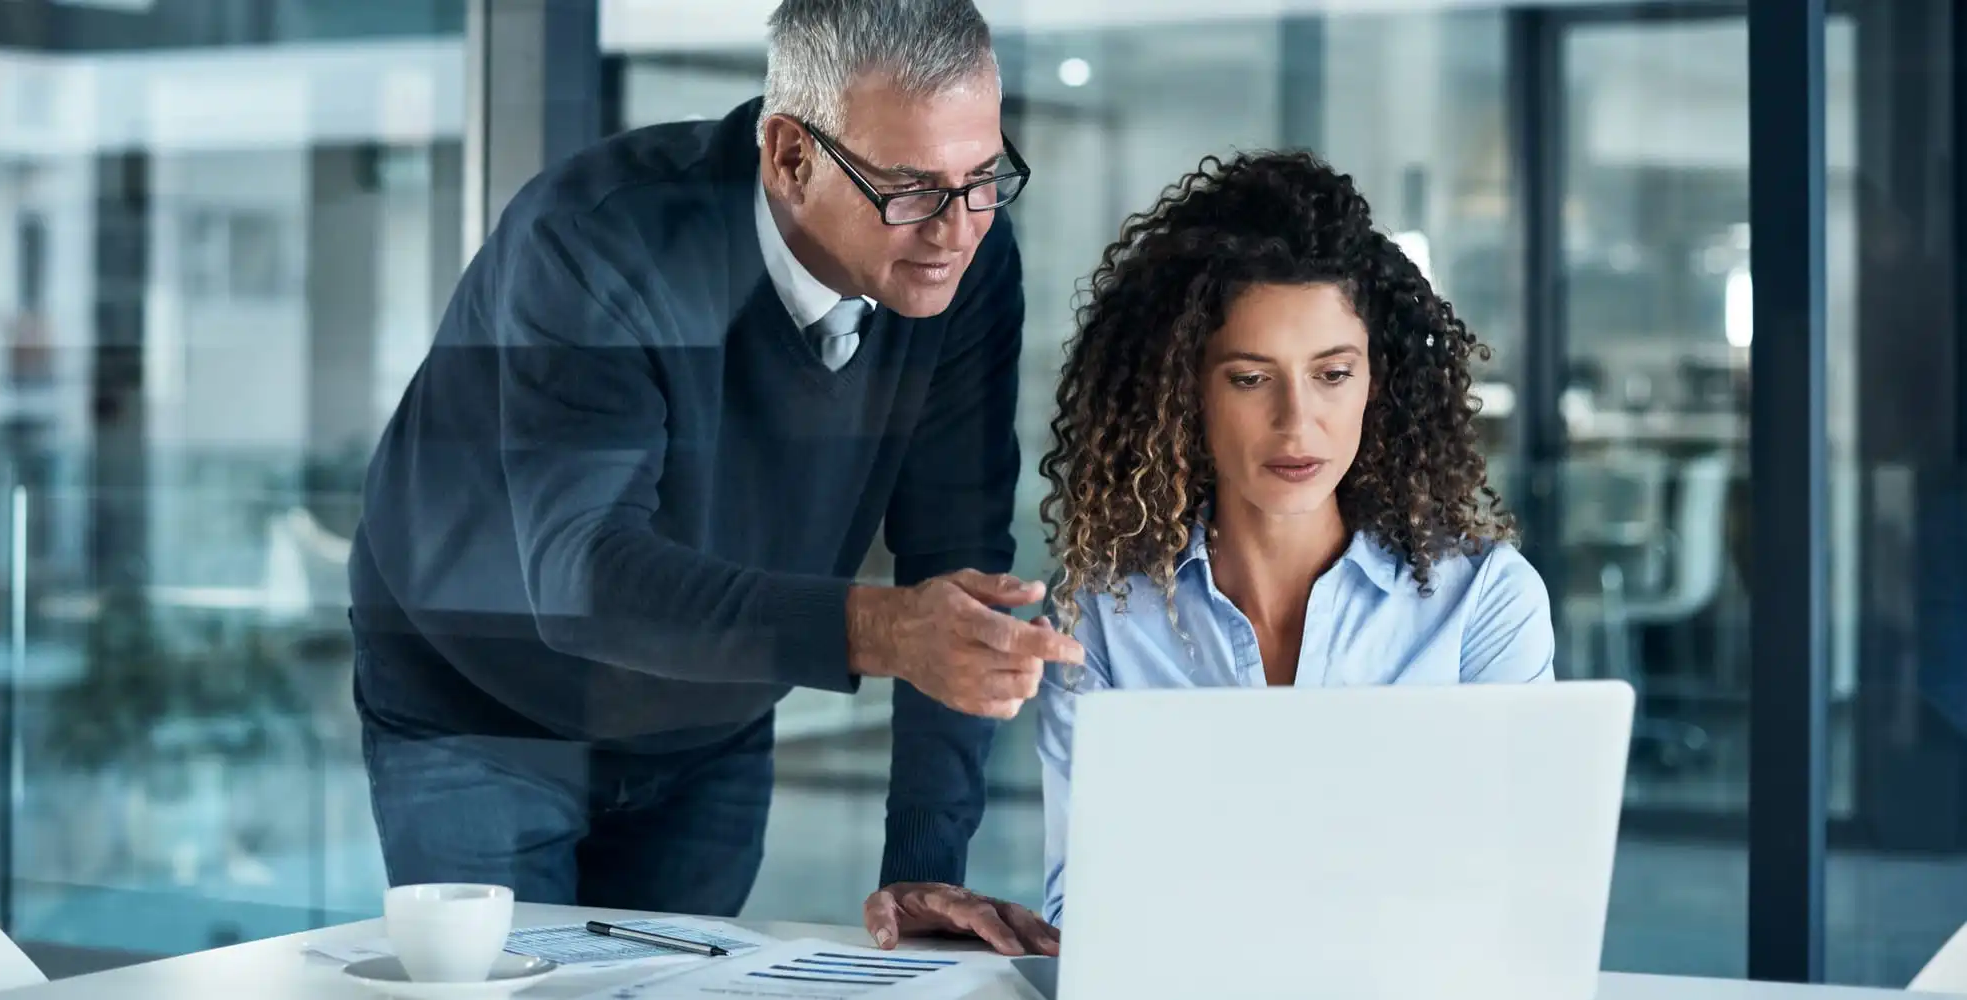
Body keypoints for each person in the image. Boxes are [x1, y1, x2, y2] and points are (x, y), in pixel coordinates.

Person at [347, 0, 1077, 951]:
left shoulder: (962, 265)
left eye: (982, 179)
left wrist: (925, 863)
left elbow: (957, 561)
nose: (956, 229)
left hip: (711, 715)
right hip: (482, 705)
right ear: (789, 155)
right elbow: (581, 576)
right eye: (910, 189)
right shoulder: (602, 239)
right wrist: (882, 629)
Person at [862, 150, 1555, 946]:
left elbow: (1523, 900)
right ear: (1185, 390)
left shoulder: (1485, 603)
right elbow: (1091, 906)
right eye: (1251, 379)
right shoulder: (1105, 615)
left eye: (1332, 374)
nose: (1299, 424)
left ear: (1378, 380)